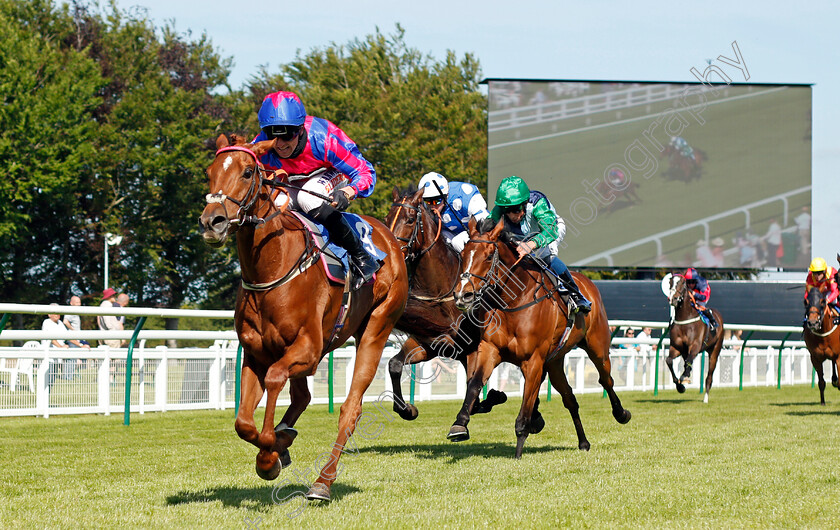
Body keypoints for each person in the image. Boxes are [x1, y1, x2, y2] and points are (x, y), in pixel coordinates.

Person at [252, 90, 379, 289]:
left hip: (330, 173)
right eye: (273, 134)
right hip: (293, 180)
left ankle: (361, 256)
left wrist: (349, 192)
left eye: (287, 134)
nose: (281, 144)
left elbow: (365, 172)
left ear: (301, 129)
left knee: (307, 198)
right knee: (274, 206)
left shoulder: (324, 141)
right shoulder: (261, 145)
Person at [483, 175, 591, 313]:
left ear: (525, 203)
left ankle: (576, 294)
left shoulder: (537, 203)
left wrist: (531, 245)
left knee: (545, 255)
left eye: (516, 210)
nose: (511, 216)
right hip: (521, 236)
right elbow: (486, 227)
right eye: (507, 210)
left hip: (549, 231)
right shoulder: (501, 208)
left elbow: (551, 232)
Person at [417, 171, 490, 252]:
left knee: (457, 242)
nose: (432, 206)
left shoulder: (464, 195)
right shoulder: (424, 205)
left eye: (436, 201)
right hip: (450, 233)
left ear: (446, 195)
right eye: (428, 201)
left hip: (477, 230)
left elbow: (484, 222)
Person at [42, 304, 69, 385]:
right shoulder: (47, 322)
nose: (57, 314)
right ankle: (44, 397)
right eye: (54, 312)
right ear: (49, 314)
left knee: (52, 380)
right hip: (48, 356)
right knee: (48, 381)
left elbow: (68, 336)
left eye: (58, 312)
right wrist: (61, 347)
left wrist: (80, 344)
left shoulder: (60, 323)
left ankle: (47, 396)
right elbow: (51, 338)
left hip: (57, 356)